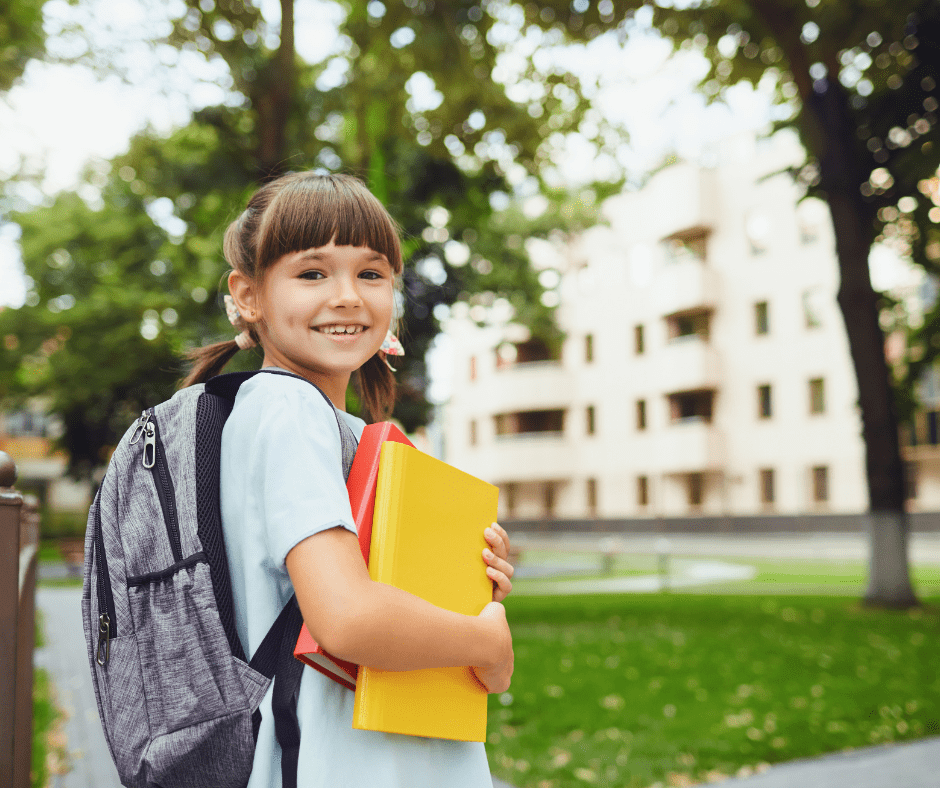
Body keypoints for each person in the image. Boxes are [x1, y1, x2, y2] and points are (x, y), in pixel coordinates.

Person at [182, 171, 515, 788]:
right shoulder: (291, 412)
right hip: (347, 760)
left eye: (371, 273)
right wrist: (484, 641)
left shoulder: (254, 413)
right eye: (312, 273)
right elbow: (348, 618)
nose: (347, 296)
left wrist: (471, 585)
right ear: (248, 294)